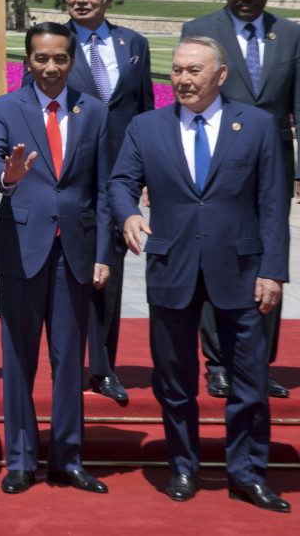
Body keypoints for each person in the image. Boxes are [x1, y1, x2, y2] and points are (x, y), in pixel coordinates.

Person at [108, 36, 290, 512]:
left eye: (194, 71)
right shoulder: (146, 127)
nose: (183, 80)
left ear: (220, 75)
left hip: (243, 271)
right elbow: (120, 182)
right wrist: (127, 213)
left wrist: (273, 270)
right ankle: (183, 467)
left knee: (249, 382)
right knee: (174, 380)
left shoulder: (258, 126)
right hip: (172, 269)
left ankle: (247, 474)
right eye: (177, 71)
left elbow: (273, 203)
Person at [0, 22, 112, 496]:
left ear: (72, 61)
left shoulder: (94, 111)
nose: (51, 68)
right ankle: (20, 460)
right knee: (17, 359)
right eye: (41, 59)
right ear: (26, 61)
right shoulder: (5, 108)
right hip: (21, 249)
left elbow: (104, 185)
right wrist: (6, 176)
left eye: (59, 59)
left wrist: (103, 253)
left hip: (74, 252)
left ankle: (68, 459)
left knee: (69, 359)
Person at [21, 0, 154, 402]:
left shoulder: (133, 43)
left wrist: (149, 172)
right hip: (69, 176)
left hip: (121, 176)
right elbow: (29, 112)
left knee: (108, 270)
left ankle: (103, 366)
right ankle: (67, 363)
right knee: (69, 271)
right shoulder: (51, 42)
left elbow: (146, 111)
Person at [181, 0, 300, 400]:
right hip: (216, 162)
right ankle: (217, 364)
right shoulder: (200, 28)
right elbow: (187, 96)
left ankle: (257, 362)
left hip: (275, 162)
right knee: (215, 254)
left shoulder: (290, 34)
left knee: (269, 252)